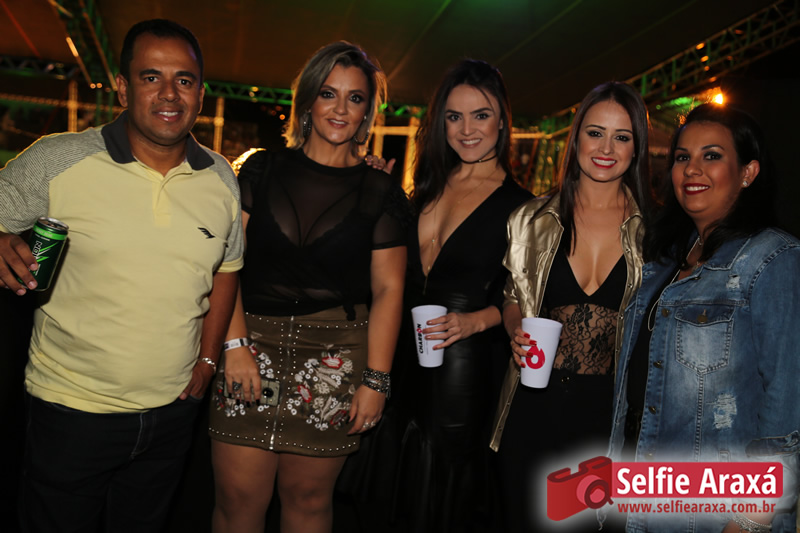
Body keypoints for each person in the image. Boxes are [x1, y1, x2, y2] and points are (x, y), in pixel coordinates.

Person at [0, 19, 243, 532]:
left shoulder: (220, 177)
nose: (169, 93)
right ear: (123, 88)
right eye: (151, 77)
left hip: (172, 414)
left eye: (184, 79)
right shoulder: (59, 159)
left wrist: (207, 360)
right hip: (71, 413)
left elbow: (226, 270)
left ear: (201, 93)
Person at [208, 41, 408, 533]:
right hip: (248, 347)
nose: (340, 109)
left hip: (335, 360)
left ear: (368, 112)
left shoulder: (380, 190)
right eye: (328, 93)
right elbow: (226, 263)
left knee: (309, 501)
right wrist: (234, 345)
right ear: (307, 101)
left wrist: (376, 381)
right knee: (238, 502)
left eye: (355, 98)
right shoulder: (261, 170)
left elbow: (389, 289)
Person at [346, 59, 532, 532]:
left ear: (502, 121)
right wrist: (372, 186)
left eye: (481, 115)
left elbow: (531, 300)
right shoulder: (424, 188)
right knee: (393, 483)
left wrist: (477, 320)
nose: (467, 130)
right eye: (454, 117)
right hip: (400, 358)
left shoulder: (522, 208)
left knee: (444, 491)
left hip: (464, 367)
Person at [607, 103, 800, 532]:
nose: (692, 169)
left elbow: (787, 409)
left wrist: (748, 520)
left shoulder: (774, 259)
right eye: (682, 157)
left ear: (748, 172)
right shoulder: (663, 262)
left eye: (711, 155)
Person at [491, 81, 652, 531]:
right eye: (595, 133)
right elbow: (511, 297)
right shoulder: (530, 218)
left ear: (637, 147)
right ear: (576, 137)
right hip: (534, 408)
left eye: (622, 137)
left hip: (611, 419)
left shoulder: (655, 232)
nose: (606, 148)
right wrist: (515, 329)